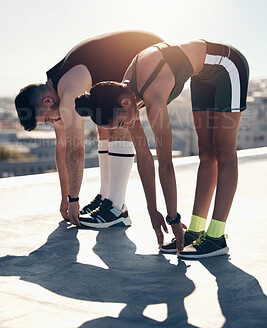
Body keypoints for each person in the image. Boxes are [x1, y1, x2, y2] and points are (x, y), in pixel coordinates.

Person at [75, 40, 249, 258]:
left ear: (125, 104)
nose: (126, 127)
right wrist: (152, 210)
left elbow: (165, 164)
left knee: (224, 150)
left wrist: (172, 218)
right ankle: (194, 231)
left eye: (121, 123)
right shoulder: (124, 94)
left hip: (227, 67)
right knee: (206, 153)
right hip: (202, 78)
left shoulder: (153, 97)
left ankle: (216, 237)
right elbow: (145, 158)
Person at [14, 31, 164, 227]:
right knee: (103, 125)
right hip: (130, 58)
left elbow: (76, 150)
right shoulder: (57, 91)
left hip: (154, 57)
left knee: (119, 125)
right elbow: (62, 149)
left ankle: (117, 208)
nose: (52, 122)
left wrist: (74, 200)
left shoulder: (68, 91)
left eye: (46, 119)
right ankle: (105, 198)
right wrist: (66, 198)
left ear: (47, 101)